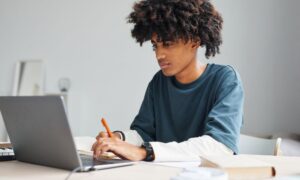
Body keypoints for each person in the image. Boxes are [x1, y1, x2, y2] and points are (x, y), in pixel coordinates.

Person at [92, 0, 244, 162]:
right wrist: (118, 138)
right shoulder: (159, 82)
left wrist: (146, 152)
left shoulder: (225, 80)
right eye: (155, 46)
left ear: (195, 41)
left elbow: (220, 146)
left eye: (168, 44)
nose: (159, 55)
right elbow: (144, 133)